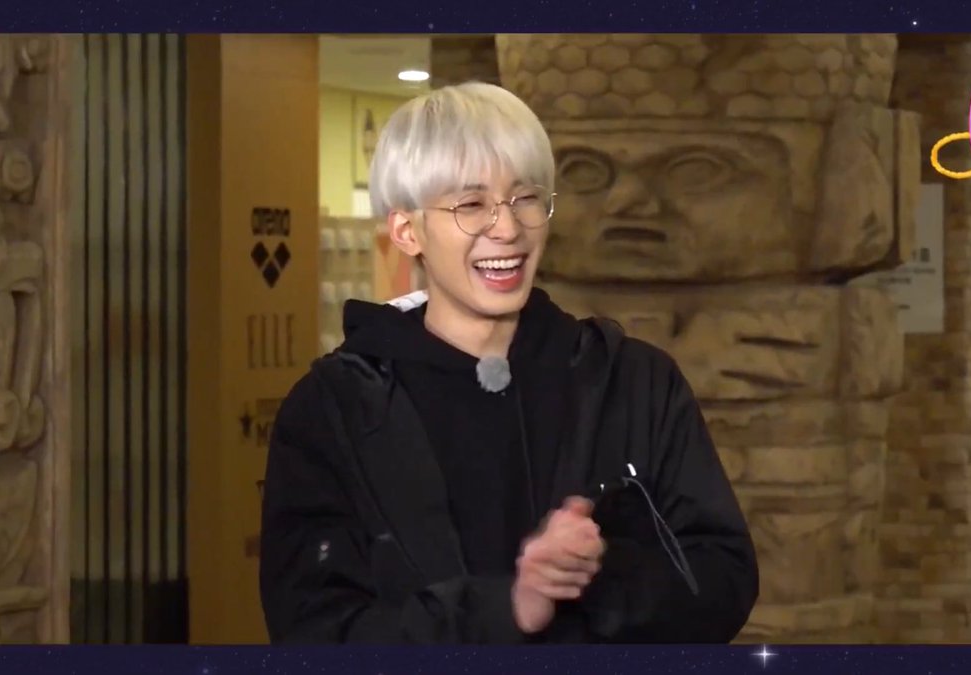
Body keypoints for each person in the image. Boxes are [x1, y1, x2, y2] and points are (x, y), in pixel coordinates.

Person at [258, 81, 758, 644]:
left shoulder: (634, 381)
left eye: (525, 199)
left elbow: (724, 579)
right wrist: (509, 607)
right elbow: (313, 631)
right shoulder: (333, 410)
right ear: (406, 230)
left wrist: (598, 574)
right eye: (471, 205)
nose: (508, 229)